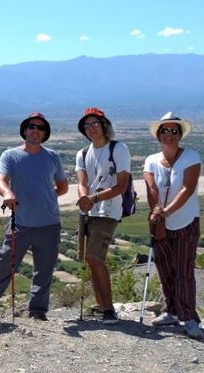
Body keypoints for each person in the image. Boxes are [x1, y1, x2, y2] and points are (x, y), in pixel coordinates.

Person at [0, 113, 68, 321]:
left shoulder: (52, 156)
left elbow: (63, 186)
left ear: (45, 133)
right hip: (20, 223)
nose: (36, 130)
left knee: (44, 270)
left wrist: (46, 197)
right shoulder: (10, 155)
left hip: (49, 223)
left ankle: (37, 312)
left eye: (40, 128)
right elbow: (1, 180)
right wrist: (8, 193)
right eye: (32, 126)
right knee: (4, 266)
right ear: (24, 130)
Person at [143, 112, 203, 339]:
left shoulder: (191, 157)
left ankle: (188, 317)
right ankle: (171, 309)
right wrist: (157, 213)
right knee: (165, 268)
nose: (169, 135)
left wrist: (166, 211)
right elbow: (151, 189)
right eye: (165, 131)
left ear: (180, 134)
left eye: (174, 131)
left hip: (185, 222)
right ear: (158, 135)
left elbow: (187, 189)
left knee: (184, 270)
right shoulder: (151, 160)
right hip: (160, 222)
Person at [74, 107, 131, 325]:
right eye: (87, 125)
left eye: (94, 124)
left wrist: (93, 199)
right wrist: (84, 198)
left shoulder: (118, 149)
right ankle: (101, 305)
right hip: (88, 209)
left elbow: (121, 185)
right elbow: (82, 182)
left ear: (104, 125)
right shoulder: (83, 153)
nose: (91, 129)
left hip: (107, 211)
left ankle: (109, 309)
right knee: (89, 259)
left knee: (95, 257)